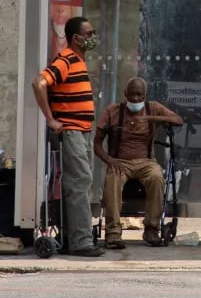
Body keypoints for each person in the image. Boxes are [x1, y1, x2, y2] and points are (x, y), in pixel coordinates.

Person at [31, 14, 102, 258]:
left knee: (80, 183)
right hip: (71, 131)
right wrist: (51, 119)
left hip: (81, 131)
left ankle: (75, 236)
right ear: (76, 38)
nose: (93, 38)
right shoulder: (66, 60)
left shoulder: (78, 61)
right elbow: (39, 83)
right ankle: (82, 241)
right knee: (80, 183)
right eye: (89, 34)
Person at [95, 76, 184, 250]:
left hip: (146, 162)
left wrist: (152, 119)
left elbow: (178, 120)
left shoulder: (153, 108)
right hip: (120, 161)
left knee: (157, 177)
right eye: (132, 95)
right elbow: (97, 143)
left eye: (139, 95)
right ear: (125, 93)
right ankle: (113, 232)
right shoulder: (112, 111)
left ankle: (151, 229)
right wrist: (109, 160)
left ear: (145, 95)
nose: (135, 99)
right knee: (113, 179)